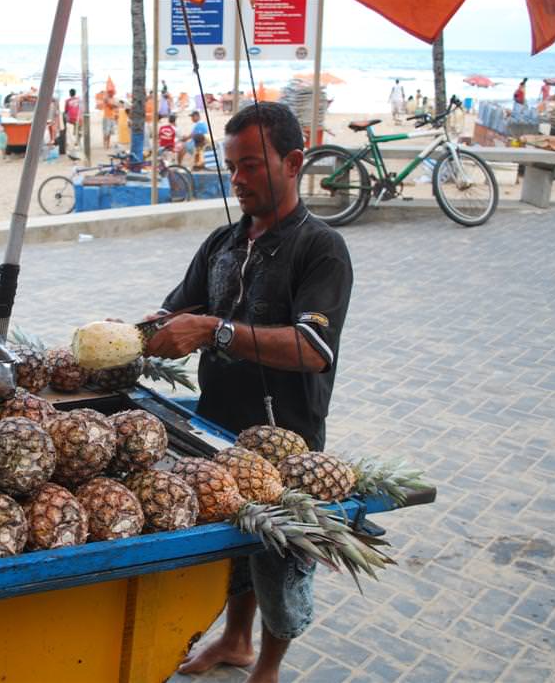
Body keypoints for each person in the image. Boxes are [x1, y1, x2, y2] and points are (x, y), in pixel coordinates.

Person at [146, 101, 352, 683]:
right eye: (231, 165)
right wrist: (135, 332)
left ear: (293, 162)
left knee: (281, 560)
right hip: (217, 425)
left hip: (289, 434)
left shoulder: (321, 248)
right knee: (238, 546)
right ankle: (236, 640)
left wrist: (217, 330)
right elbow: (180, 305)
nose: (236, 179)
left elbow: (315, 349)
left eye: (251, 166)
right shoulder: (222, 242)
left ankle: (269, 664)